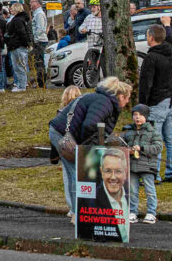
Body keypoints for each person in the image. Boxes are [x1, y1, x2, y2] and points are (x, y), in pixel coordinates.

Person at [47, 76, 133, 220]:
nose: (128, 101)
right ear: (121, 96)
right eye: (128, 98)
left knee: (72, 173)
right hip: (65, 136)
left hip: (60, 132)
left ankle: (74, 211)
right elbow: (90, 125)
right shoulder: (105, 103)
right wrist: (88, 150)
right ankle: (77, 213)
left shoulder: (99, 99)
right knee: (76, 173)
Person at [140, 21, 172, 184]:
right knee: (170, 139)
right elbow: (170, 39)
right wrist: (167, 25)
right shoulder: (170, 51)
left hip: (157, 102)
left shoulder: (151, 57)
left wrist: (141, 107)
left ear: (151, 37)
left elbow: (145, 83)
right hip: (171, 100)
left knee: (154, 140)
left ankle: (153, 174)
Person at [122, 104, 162, 224]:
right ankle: (133, 212)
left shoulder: (153, 131)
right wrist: (128, 150)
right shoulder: (128, 133)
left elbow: (158, 147)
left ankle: (151, 213)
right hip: (132, 165)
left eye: (140, 115)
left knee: (149, 190)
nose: (137, 118)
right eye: (135, 115)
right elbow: (123, 146)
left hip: (147, 166)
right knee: (132, 191)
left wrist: (142, 148)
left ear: (146, 117)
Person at [94, 147, 130, 241]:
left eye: (118, 171)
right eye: (108, 171)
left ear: (125, 172)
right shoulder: (91, 201)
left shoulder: (130, 196)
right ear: (102, 172)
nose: (113, 177)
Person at [4, 3, 32, 92]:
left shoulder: (18, 20)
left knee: (19, 66)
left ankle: (22, 86)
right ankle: (20, 84)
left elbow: (22, 33)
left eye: (12, 8)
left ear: (16, 9)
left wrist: (26, 44)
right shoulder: (19, 19)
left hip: (18, 45)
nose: (10, 10)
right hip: (16, 45)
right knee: (18, 66)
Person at [30, 0, 49, 88]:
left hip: (40, 41)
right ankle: (40, 81)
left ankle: (42, 82)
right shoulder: (36, 13)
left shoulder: (39, 14)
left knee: (39, 61)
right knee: (38, 62)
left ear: (37, 3)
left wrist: (36, 39)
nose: (30, 4)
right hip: (39, 40)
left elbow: (40, 28)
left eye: (32, 2)